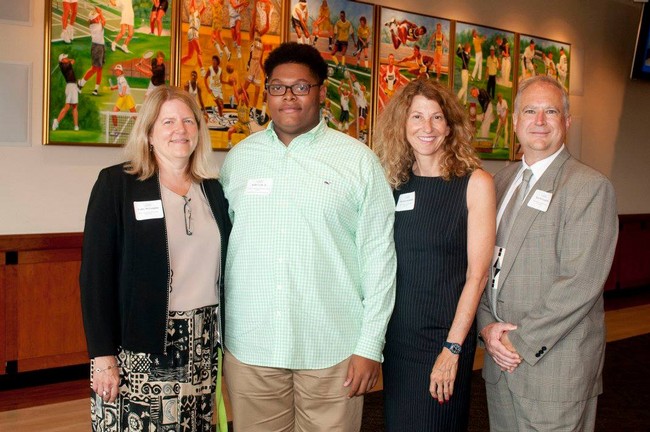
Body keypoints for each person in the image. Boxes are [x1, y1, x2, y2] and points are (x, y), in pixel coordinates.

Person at [219, 42, 396, 432]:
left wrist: (370, 346)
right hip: (252, 347)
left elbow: (380, 259)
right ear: (266, 92)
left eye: (301, 87)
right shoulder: (239, 160)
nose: (289, 97)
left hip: (332, 350)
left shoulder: (359, 162)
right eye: (278, 87)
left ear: (321, 91)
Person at [79, 85, 231, 432]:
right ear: (149, 132)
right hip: (143, 344)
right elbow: (94, 277)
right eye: (168, 122)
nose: (180, 130)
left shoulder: (212, 189)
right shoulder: (118, 184)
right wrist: (102, 357)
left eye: (189, 121)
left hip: (203, 343)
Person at [477, 75, 618, 431]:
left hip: (554, 371)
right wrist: (488, 329)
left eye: (550, 111)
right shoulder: (498, 182)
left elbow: (579, 283)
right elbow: (480, 264)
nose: (539, 121)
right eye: (530, 111)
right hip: (499, 364)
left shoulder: (589, 187)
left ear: (566, 122)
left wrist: (518, 343)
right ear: (515, 122)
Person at [373, 78, 495, 432]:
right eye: (416, 117)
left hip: (444, 337)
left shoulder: (476, 184)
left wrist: (453, 349)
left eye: (436, 117)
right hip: (398, 338)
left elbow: (477, 275)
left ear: (450, 126)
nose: (427, 127)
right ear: (402, 125)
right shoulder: (393, 185)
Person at [78, 8, 105, 96]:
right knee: (94, 68)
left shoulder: (95, 24)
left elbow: (102, 20)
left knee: (100, 69)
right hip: (97, 47)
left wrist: (99, 13)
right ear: (92, 20)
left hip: (101, 47)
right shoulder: (97, 26)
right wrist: (100, 12)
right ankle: (80, 84)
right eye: (96, 18)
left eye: (97, 17)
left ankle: (96, 89)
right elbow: (104, 21)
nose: (98, 19)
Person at [52, 53, 80, 132]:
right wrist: (68, 60)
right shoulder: (65, 66)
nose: (67, 58)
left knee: (75, 106)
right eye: (65, 58)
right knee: (67, 107)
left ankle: (76, 126)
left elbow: (71, 60)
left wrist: (67, 59)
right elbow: (72, 61)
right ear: (62, 60)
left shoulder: (64, 63)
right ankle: (56, 121)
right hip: (70, 86)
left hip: (73, 86)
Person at [109, 64, 137, 137]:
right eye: (116, 70)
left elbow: (124, 87)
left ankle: (142, 128)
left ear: (121, 71)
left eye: (118, 70)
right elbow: (119, 86)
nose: (116, 71)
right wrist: (113, 88)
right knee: (114, 112)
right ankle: (115, 130)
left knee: (134, 115)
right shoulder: (119, 78)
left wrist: (123, 93)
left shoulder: (122, 78)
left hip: (126, 96)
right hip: (122, 97)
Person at [181, 0, 207, 72]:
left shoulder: (198, 14)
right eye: (193, 6)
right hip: (193, 31)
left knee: (189, 55)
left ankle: (178, 62)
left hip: (193, 32)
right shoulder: (192, 12)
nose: (195, 6)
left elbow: (204, 6)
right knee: (199, 51)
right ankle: (202, 70)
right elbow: (192, 3)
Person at [204, 55, 226, 119]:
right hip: (212, 90)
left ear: (217, 62)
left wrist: (228, 83)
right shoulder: (210, 69)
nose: (213, 61)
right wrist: (207, 88)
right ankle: (221, 118)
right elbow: (205, 78)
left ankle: (216, 109)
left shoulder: (220, 70)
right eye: (212, 60)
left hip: (219, 89)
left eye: (215, 60)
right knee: (219, 105)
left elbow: (221, 81)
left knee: (222, 106)